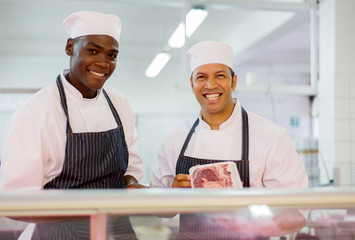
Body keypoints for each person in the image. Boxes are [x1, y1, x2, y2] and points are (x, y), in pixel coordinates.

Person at [0, 11, 146, 239]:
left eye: (112, 55)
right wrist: (82, 214)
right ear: (70, 47)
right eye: (93, 51)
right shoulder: (35, 112)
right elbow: (16, 200)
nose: (103, 63)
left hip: (117, 232)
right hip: (59, 232)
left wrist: (131, 185)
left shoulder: (120, 104)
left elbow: (131, 168)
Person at [150, 41, 309, 239]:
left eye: (220, 75)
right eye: (201, 77)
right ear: (192, 84)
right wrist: (174, 196)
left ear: (233, 81)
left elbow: (297, 214)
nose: (210, 85)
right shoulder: (175, 137)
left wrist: (246, 217)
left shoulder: (272, 137)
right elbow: (158, 208)